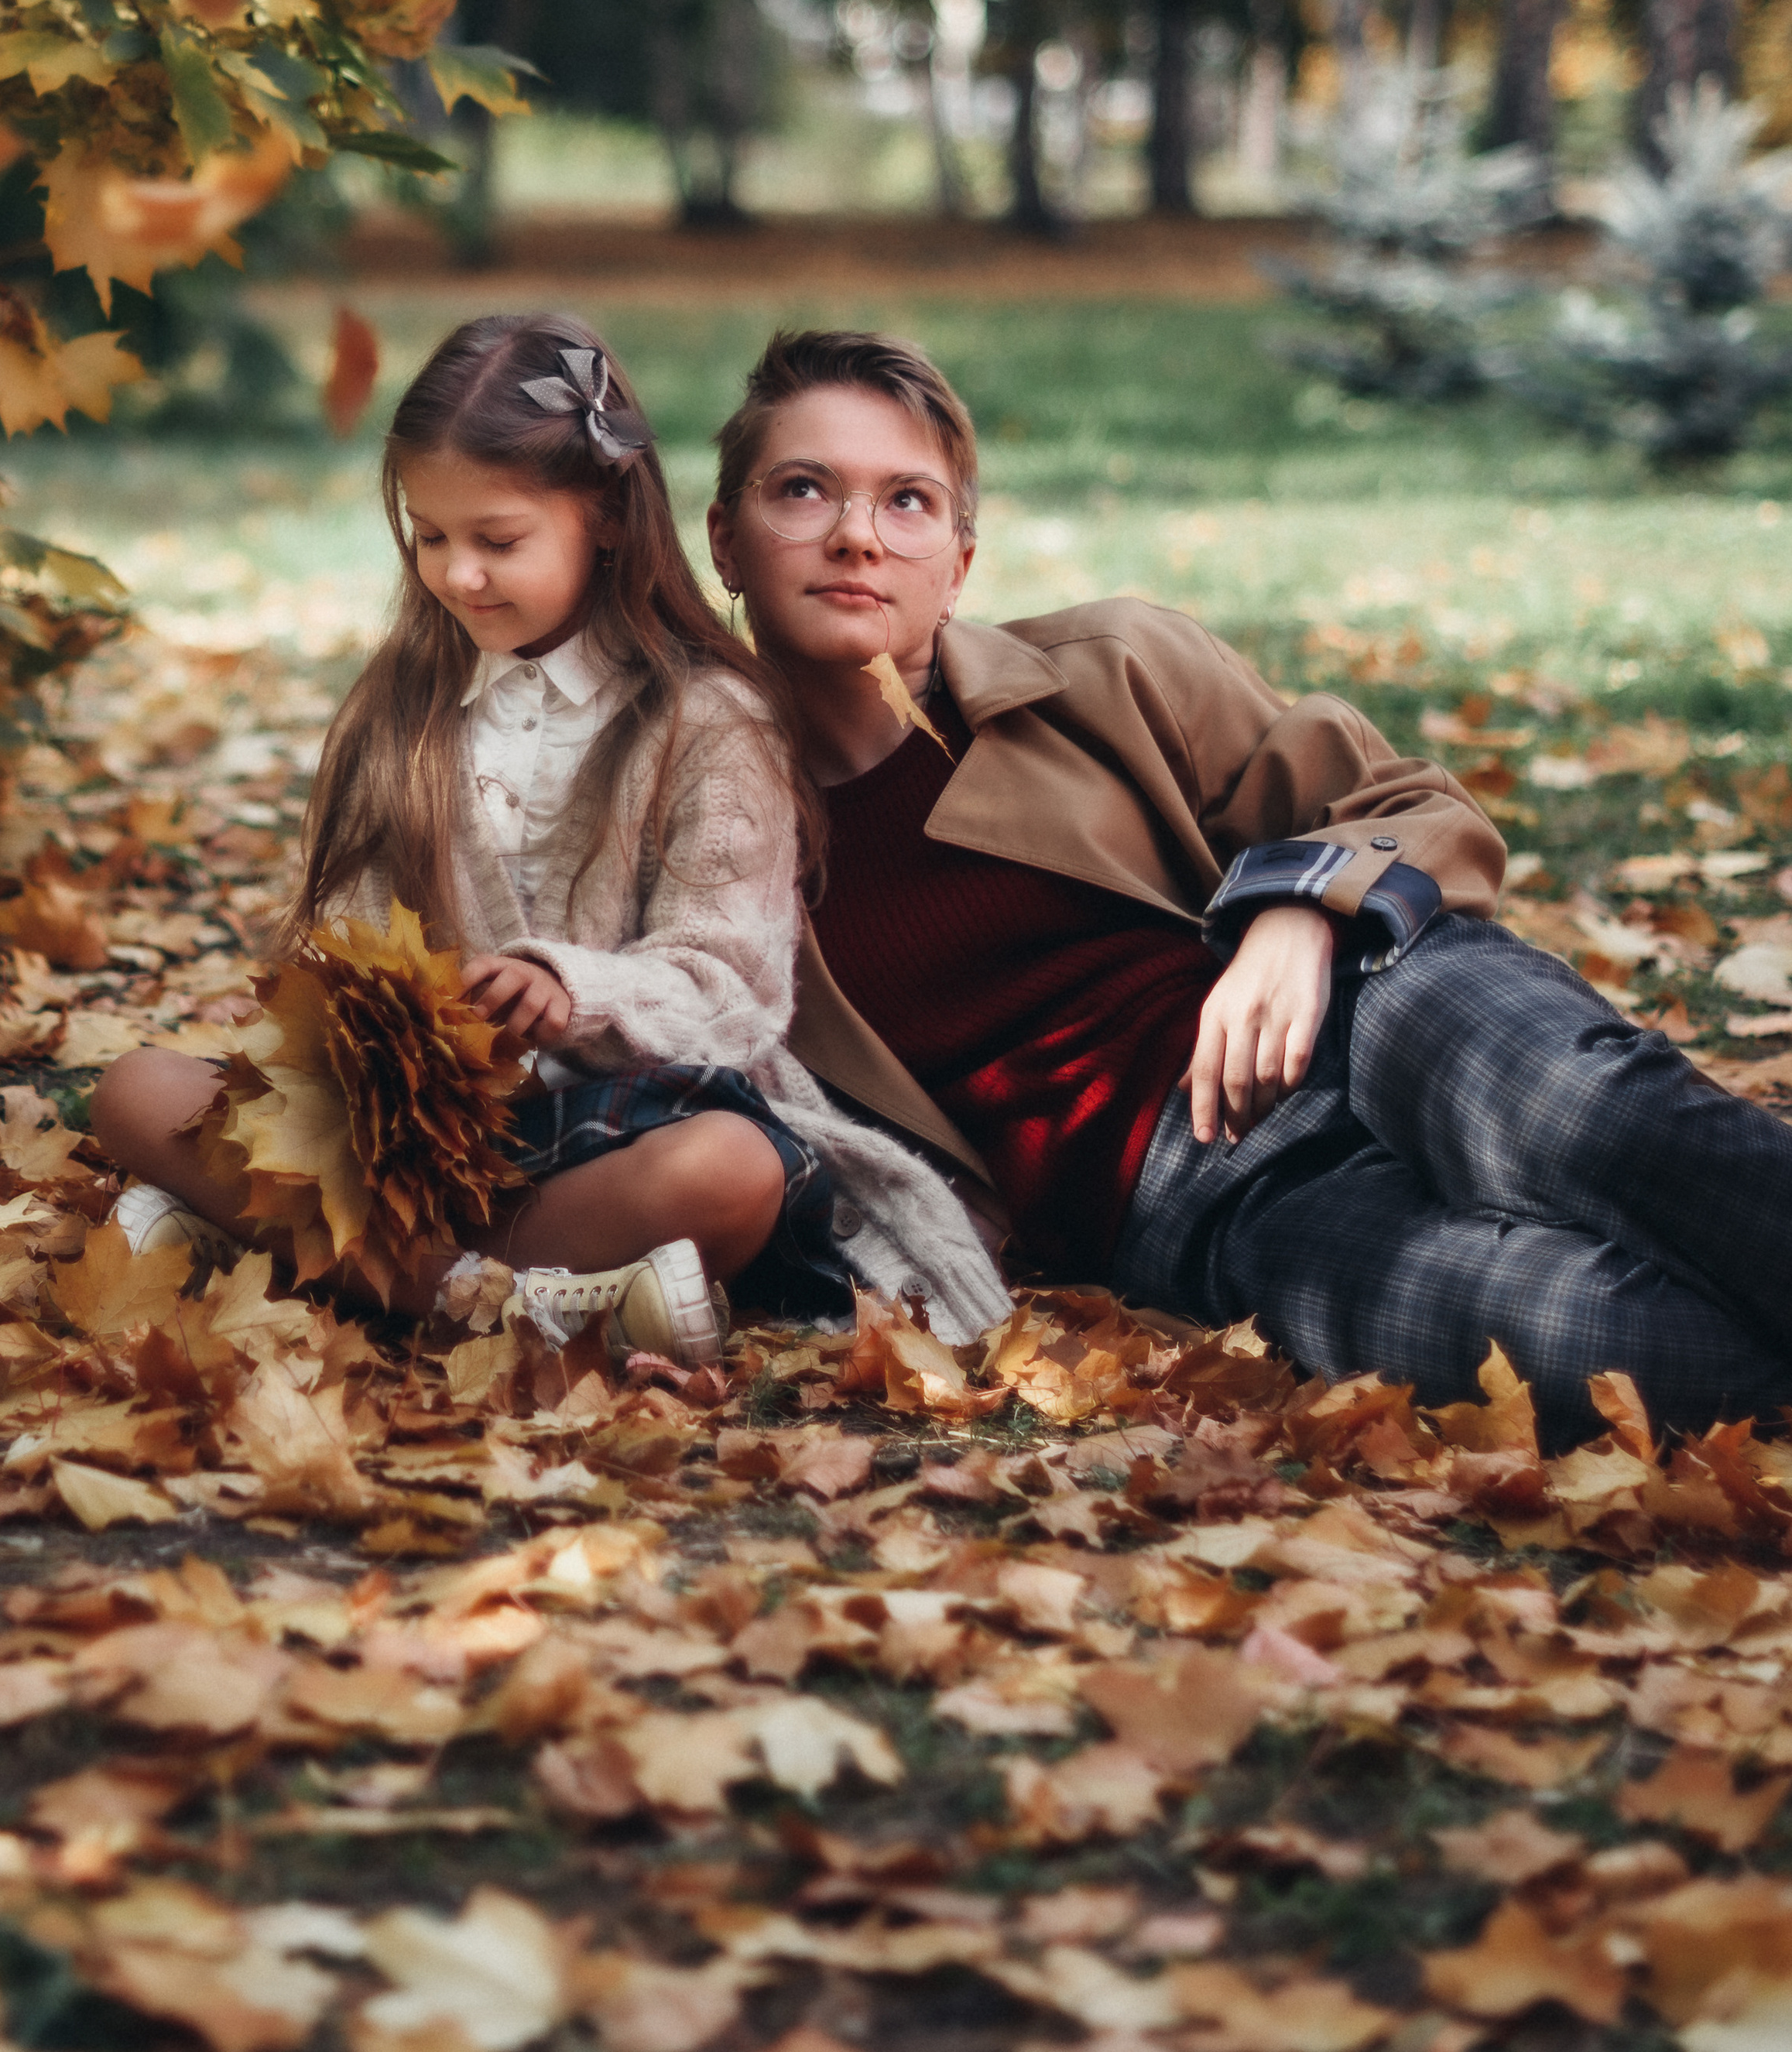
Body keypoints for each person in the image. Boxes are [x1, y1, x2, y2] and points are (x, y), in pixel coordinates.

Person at [710, 325, 1792, 1450]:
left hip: (1374, 1001)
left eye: (907, 502)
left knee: (1591, 1120)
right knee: (1600, 1343)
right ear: (726, 542)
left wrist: (1297, 910)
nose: (855, 538)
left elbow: (1416, 806)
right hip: (1201, 1206)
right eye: (802, 490)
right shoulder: (715, 857)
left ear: (959, 563)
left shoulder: (1111, 670)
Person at [95, 316, 1005, 1362]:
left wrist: (573, 994)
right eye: (430, 537)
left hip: (621, 1128)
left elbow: (734, 986)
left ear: (611, 515)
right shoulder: (405, 711)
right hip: (427, 1137)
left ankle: (307, 1257)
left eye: (498, 541)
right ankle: (495, 1296)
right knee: (138, 1090)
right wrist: (383, 1036)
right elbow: (343, 942)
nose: (458, 576)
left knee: (733, 1171)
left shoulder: (710, 719)